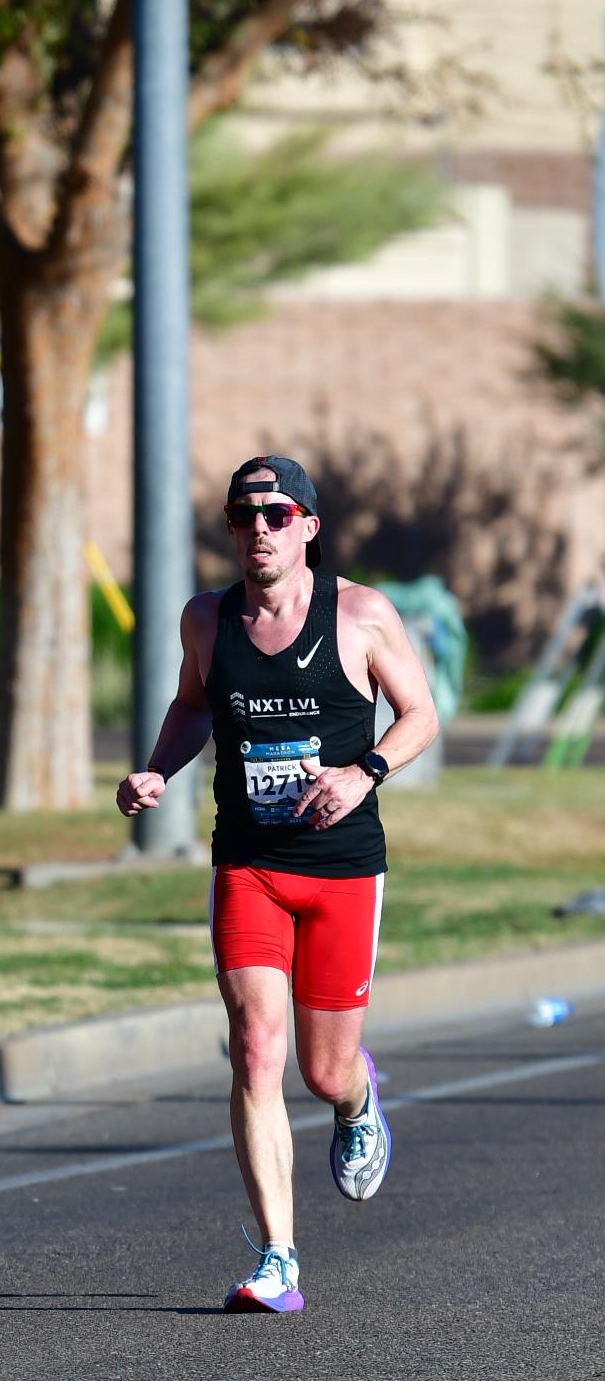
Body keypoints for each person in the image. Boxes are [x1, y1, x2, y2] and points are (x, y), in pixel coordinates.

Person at [118, 454, 438, 1313]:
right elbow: (193, 705)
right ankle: (279, 1258)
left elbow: (421, 715)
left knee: (323, 1071)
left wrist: (364, 772)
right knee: (257, 1049)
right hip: (248, 865)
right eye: (243, 516)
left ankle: (357, 1100)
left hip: (340, 870)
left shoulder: (360, 613)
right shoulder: (206, 619)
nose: (258, 529)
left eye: (276, 514)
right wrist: (156, 771)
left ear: (308, 526)